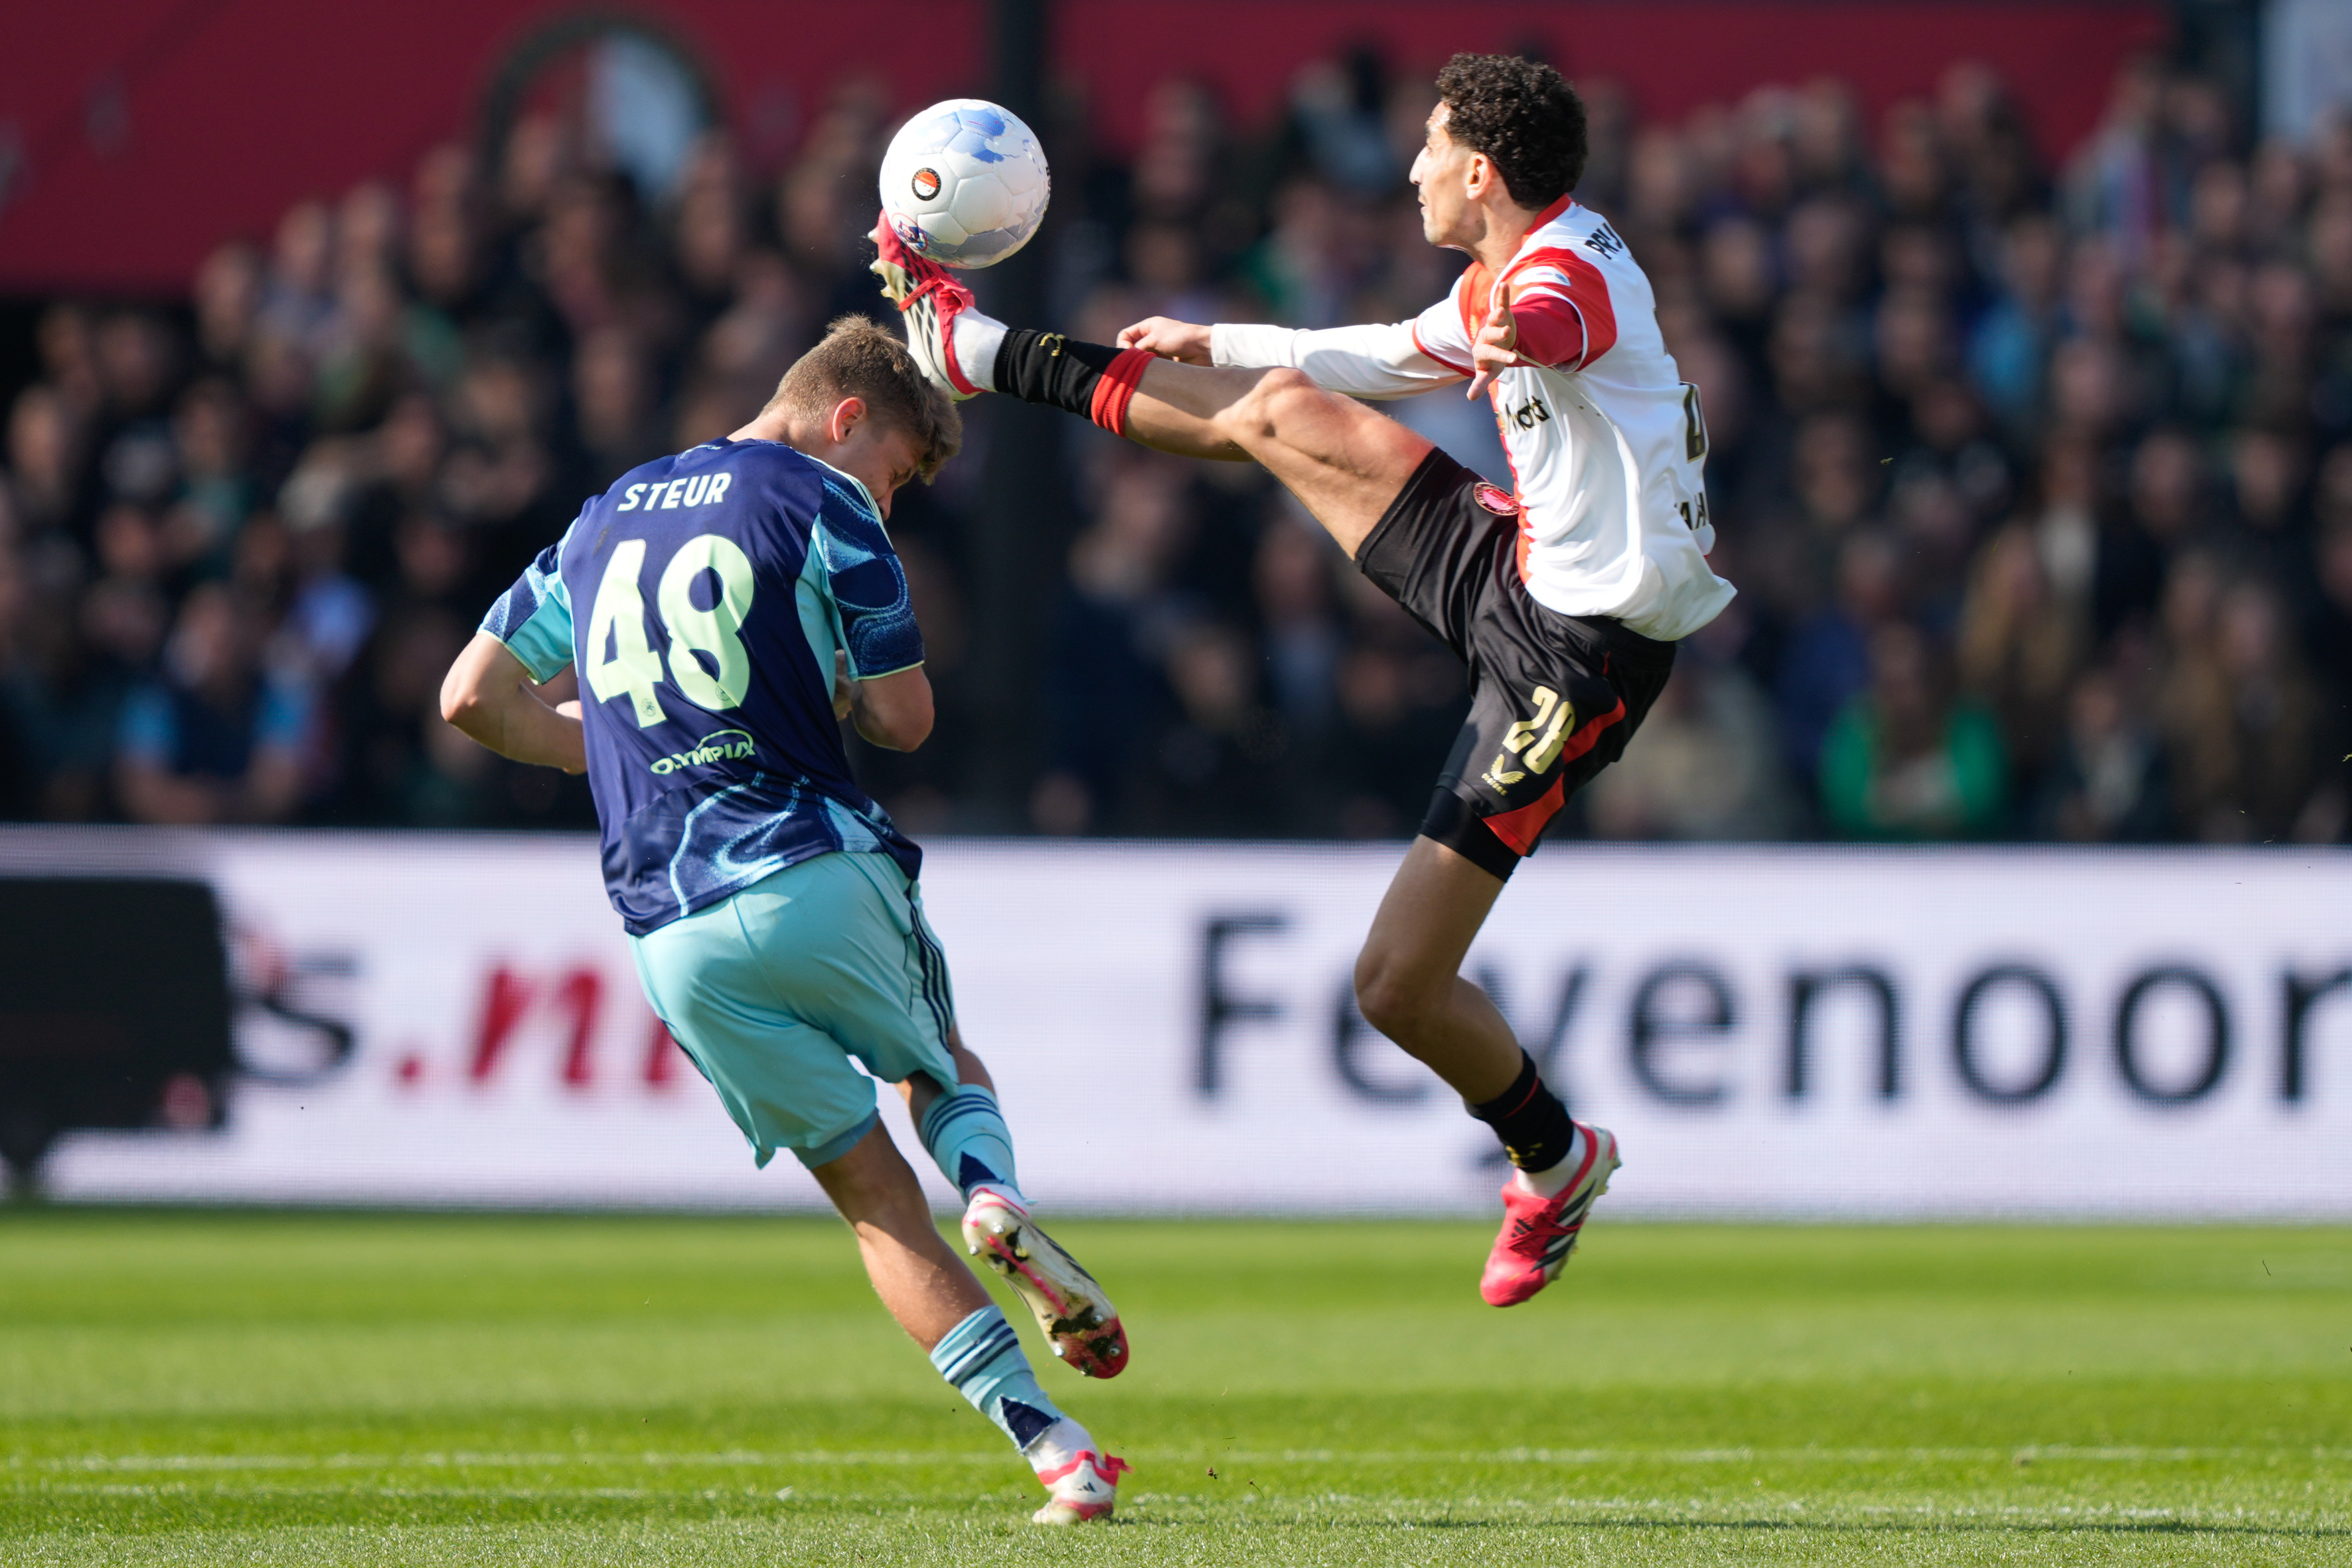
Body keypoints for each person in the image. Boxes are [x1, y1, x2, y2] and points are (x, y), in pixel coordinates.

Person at [875, 53, 1735, 1308]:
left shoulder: (1566, 273)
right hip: (1518, 560)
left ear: (1481, 171)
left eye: (1431, 147)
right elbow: (1389, 355)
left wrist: (1517, 336)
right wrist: (1215, 337)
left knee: (1394, 987)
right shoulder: (1503, 266)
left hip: (1580, 660)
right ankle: (975, 348)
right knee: (1275, 409)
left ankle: (1556, 1156)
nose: (1412, 168)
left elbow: (1557, 322)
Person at [437, 316, 1129, 1525]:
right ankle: (996, 1194)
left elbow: (471, 698)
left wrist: (608, 759)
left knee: (868, 1197)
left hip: (669, 925)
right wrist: (848, 686)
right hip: (808, 860)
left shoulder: (601, 517)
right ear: (848, 417)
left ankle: (1055, 1448)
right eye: (902, 472)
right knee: (935, 1062)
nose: (894, 501)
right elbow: (907, 719)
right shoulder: (821, 497)